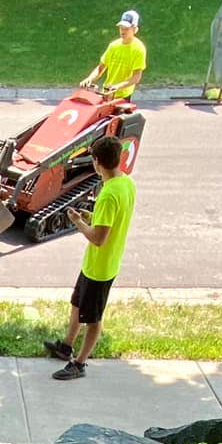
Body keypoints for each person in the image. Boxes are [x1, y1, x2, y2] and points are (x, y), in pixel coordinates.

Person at [45, 134, 135, 380]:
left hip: (100, 267)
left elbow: (98, 238)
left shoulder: (108, 194)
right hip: (98, 263)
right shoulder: (125, 183)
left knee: (93, 319)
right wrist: (91, 215)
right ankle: (66, 346)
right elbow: (111, 222)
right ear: (119, 157)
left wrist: (77, 222)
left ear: (96, 161)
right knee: (76, 304)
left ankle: (80, 363)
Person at [81, 9, 146, 97]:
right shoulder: (113, 46)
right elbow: (101, 68)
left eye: (126, 29)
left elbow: (136, 77)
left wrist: (118, 86)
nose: (123, 31)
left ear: (135, 29)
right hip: (106, 92)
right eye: (121, 28)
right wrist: (89, 79)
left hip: (122, 96)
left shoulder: (138, 48)